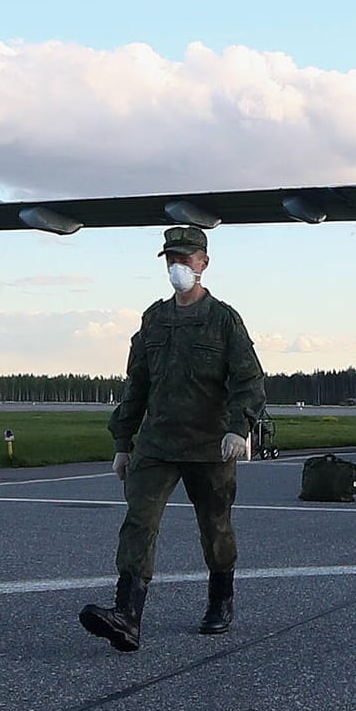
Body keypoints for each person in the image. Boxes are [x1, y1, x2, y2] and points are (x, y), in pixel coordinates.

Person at [79, 226, 267, 652]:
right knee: (138, 523)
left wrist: (240, 427)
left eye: (186, 259)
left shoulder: (223, 320)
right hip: (157, 443)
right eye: (171, 260)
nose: (178, 267)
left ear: (203, 263)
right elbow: (137, 384)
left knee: (215, 527)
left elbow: (249, 379)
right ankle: (127, 616)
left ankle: (221, 600)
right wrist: (123, 442)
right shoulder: (155, 318)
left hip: (209, 445)